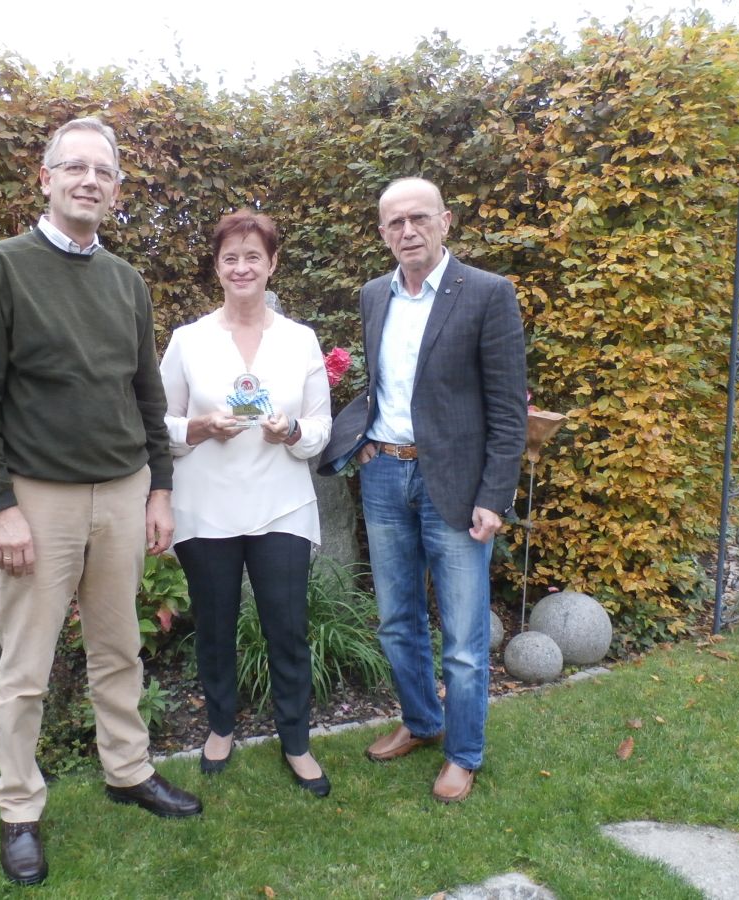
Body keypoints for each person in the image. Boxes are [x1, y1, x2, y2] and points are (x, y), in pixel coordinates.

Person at [0, 116, 201, 888]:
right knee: (25, 666)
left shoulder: (126, 282)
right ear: (46, 178)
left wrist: (160, 489)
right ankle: (19, 809)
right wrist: (0, 507)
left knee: (119, 647)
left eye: (104, 171)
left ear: (117, 189)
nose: (89, 181)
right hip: (39, 499)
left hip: (122, 492)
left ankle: (129, 770)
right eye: (75, 167)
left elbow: (147, 394)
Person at [318, 178, 526, 804]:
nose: (407, 231)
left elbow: (507, 410)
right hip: (384, 475)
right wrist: (361, 439)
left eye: (418, 218)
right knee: (396, 621)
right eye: (394, 223)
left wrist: (494, 495)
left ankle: (464, 753)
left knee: (462, 638)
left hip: (456, 487)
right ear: (383, 233)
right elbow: (385, 386)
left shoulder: (487, 293)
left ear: (445, 221)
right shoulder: (373, 295)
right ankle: (421, 720)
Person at [160, 210, 333, 797]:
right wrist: (201, 426)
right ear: (216, 267)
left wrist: (292, 432)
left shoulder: (300, 340)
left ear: (272, 264)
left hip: (281, 504)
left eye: (253, 256)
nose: (242, 267)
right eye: (230, 257)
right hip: (206, 506)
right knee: (214, 626)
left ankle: (296, 740)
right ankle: (220, 727)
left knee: (288, 627)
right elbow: (160, 424)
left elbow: (320, 427)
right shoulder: (188, 340)